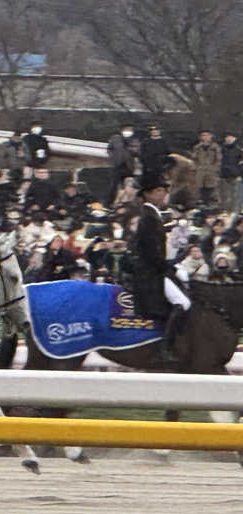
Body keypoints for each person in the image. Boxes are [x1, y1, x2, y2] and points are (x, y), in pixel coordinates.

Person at [130, 175, 191, 367]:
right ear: (147, 194)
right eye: (158, 191)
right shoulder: (148, 218)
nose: (163, 194)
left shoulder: (153, 216)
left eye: (164, 191)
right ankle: (166, 348)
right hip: (150, 274)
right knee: (183, 302)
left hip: (154, 269)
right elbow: (151, 254)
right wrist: (170, 266)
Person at [106, 124, 136, 207]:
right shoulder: (116, 139)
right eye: (127, 129)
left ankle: (125, 203)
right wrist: (114, 160)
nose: (128, 131)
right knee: (114, 186)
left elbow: (136, 152)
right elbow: (110, 150)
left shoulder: (133, 140)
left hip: (128, 167)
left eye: (130, 130)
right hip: (117, 166)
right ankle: (110, 203)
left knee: (128, 186)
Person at [191, 130, 221, 206]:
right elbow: (194, 159)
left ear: (211, 136)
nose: (205, 137)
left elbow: (218, 159)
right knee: (200, 189)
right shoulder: (197, 147)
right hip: (200, 171)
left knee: (211, 188)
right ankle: (201, 203)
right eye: (203, 135)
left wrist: (215, 168)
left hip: (211, 171)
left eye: (207, 135)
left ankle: (211, 204)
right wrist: (196, 168)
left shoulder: (215, 147)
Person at [219, 132, 242, 213]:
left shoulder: (239, 150)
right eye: (227, 137)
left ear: (235, 138)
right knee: (224, 195)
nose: (228, 138)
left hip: (235, 175)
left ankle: (235, 211)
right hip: (223, 175)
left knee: (235, 195)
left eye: (231, 137)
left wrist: (240, 174)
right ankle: (225, 211)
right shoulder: (221, 150)